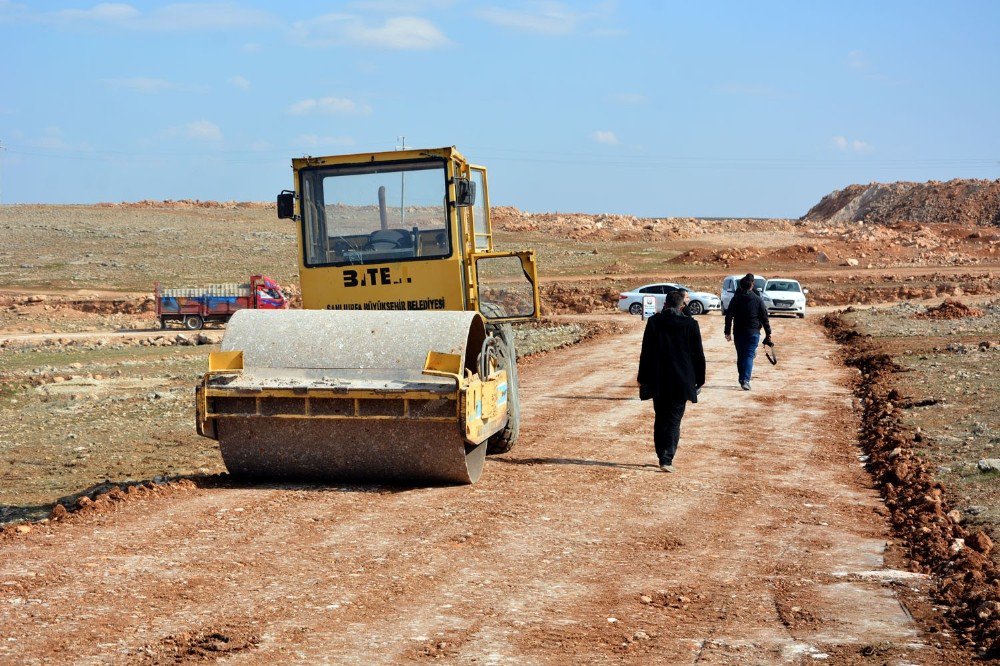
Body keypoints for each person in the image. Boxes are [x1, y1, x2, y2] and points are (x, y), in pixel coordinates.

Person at [637, 289, 706, 472]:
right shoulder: (691, 324)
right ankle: (667, 458)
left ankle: (662, 456)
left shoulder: (654, 322)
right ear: (682, 305)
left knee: (660, 417)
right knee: (674, 420)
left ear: (665, 303)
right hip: (682, 380)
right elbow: (698, 355)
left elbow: (646, 353)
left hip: (658, 378)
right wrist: (700, 380)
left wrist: (642, 378)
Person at [724, 273, 772, 391]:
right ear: (751, 285)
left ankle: (743, 379)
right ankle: (745, 380)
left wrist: (727, 331)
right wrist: (768, 333)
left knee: (742, 356)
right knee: (748, 356)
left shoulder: (736, 299)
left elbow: (729, 315)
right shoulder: (758, 299)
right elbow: (764, 318)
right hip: (753, 332)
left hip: (738, 332)